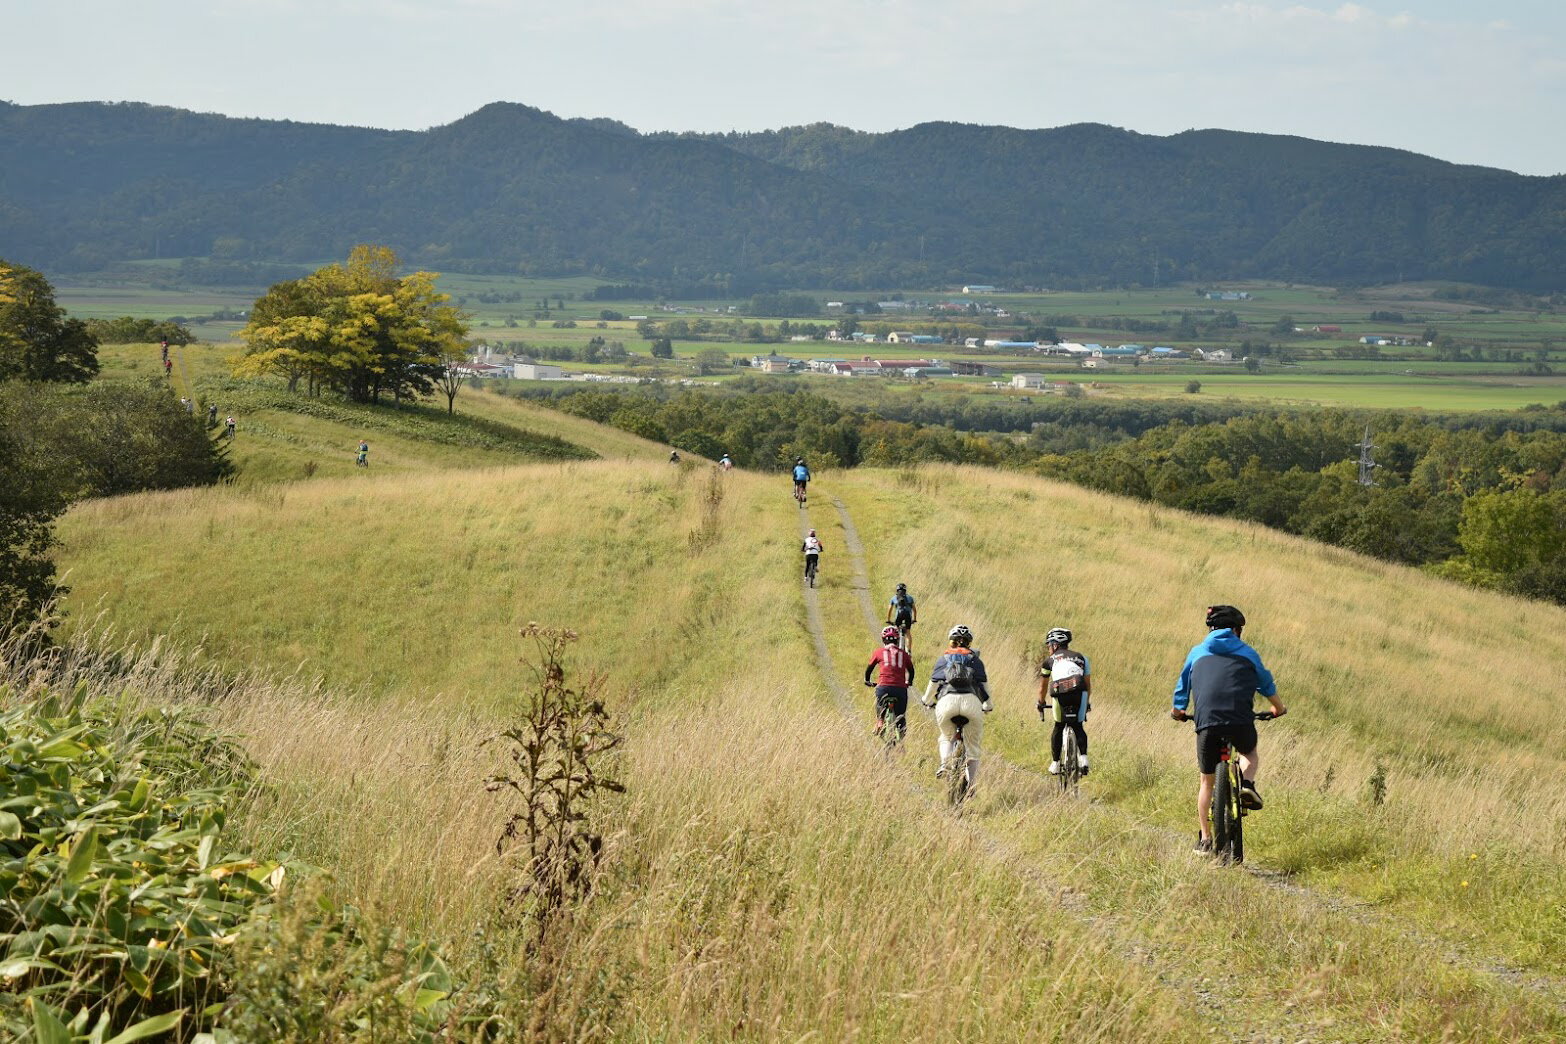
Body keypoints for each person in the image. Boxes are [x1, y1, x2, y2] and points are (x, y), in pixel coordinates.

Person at [1171, 605, 1287, 853]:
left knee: (1206, 781)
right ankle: (1247, 784)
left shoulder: (1197, 652)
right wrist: (1278, 708)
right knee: (1249, 754)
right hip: (1240, 719)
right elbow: (1266, 684)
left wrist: (1178, 712)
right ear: (1237, 630)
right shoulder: (1248, 653)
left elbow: (1183, 688)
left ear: (1211, 628)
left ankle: (1205, 839)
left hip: (1207, 721)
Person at [921, 625, 993, 790]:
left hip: (947, 702)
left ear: (951, 642)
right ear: (969, 643)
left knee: (946, 737)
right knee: (973, 747)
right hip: (971, 703)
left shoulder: (943, 659)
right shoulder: (975, 660)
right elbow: (985, 686)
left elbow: (932, 686)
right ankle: (972, 784)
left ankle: (945, 763)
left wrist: (925, 701)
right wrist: (988, 706)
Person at [1037, 627, 1091, 776]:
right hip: (1079, 691)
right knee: (1078, 725)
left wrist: (1040, 703)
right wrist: (1086, 704)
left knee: (1059, 726)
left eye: (1049, 645)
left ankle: (1055, 763)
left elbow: (1043, 686)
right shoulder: (1082, 658)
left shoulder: (1049, 661)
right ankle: (1084, 759)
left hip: (1059, 693)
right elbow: (1088, 685)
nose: (1048, 648)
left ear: (1055, 645)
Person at [864, 625, 915, 741]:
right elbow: (911, 671)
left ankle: (880, 721)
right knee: (901, 714)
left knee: (880, 704)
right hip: (900, 689)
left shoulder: (878, 652)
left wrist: (867, 680)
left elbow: (869, 669)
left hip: (883, 687)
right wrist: (909, 682)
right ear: (897, 640)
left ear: (883, 640)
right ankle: (901, 734)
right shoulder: (904, 654)